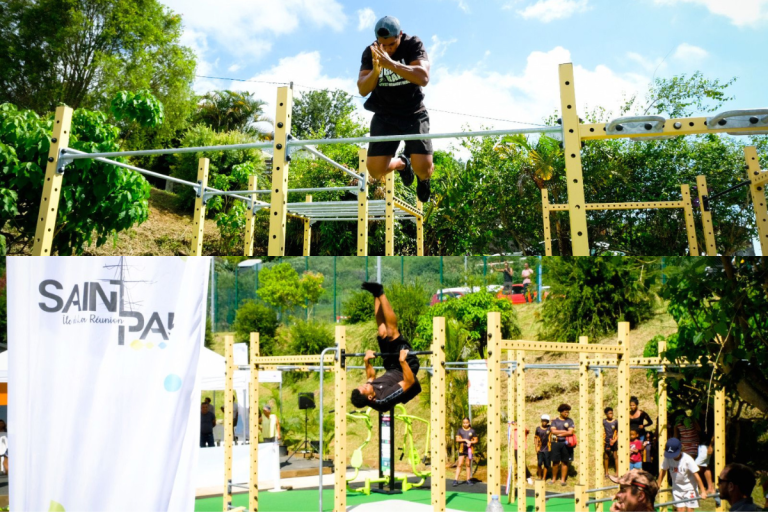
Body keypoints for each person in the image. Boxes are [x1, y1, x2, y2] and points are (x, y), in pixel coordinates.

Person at [357, 16, 434, 202]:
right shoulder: (371, 52)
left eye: (392, 44)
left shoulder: (412, 44)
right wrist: (376, 70)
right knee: (375, 171)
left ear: (400, 34)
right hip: (385, 114)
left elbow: (423, 77)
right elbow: (362, 89)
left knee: (423, 169)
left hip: (413, 113)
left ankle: (423, 179)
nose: (388, 49)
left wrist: (391, 64)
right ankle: (403, 163)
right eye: (384, 45)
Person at [350, 282, 422, 411]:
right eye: (365, 387)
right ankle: (381, 293)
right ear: (370, 397)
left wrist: (367, 361)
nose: (366, 385)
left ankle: (376, 294)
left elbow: (371, 377)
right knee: (392, 334)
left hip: (391, 367)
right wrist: (402, 361)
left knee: (382, 333)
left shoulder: (367, 392)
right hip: (407, 368)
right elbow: (409, 382)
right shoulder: (384, 398)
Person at [659, 438, 708, 512]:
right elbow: (663, 471)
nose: (672, 456)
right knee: (680, 510)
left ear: (680, 450)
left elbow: (696, 475)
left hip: (690, 488)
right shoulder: (668, 458)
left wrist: (703, 491)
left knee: (690, 510)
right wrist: (658, 485)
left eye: (674, 454)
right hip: (677, 488)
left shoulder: (687, 459)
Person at [550, 403, 575, 486]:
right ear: (560, 412)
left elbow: (570, 432)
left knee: (565, 462)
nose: (567, 414)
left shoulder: (570, 421)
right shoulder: (555, 421)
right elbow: (553, 431)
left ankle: (563, 480)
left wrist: (560, 434)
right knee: (555, 462)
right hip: (555, 443)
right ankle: (553, 479)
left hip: (566, 444)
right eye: (565, 412)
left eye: (568, 412)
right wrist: (565, 431)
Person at [453, 417, 478, 487]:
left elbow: (476, 440)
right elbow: (457, 439)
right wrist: (465, 440)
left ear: (469, 423)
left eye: (466, 423)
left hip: (470, 449)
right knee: (460, 464)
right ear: (462, 423)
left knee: (468, 464)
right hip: (462, 449)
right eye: (464, 423)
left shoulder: (472, 431)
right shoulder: (460, 430)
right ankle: (455, 480)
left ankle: (468, 479)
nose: (465, 424)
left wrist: (470, 442)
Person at [629, 397, 653, 461]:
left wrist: (644, 425)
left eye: (633, 405)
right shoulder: (627, 414)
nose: (632, 407)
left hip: (640, 434)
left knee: (641, 449)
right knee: (631, 449)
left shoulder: (642, 413)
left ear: (637, 405)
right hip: (631, 435)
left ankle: (641, 463)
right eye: (630, 405)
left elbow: (650, 422)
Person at [534, 414, 552, 482]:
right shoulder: (538, 429)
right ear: (541, 421)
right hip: (540, 448)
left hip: (547, 448)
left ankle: (544, 478)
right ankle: (539, 476)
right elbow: (536, 438)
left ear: (548, 422)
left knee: (546, 464)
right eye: (543, 421)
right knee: (539, 463)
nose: (544, 422)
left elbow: (555, 425)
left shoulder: (549, 428)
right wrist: (536, 447)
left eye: (546, 421)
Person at [604, 407, 620, 478]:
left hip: (614, 441)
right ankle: (606, 473)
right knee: (606, 457)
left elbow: (619, 431)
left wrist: (615, 439)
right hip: (606, 441)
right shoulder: (604, 422)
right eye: (609, 413)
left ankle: (617, 472)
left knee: (615, 456)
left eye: (612, 413)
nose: (611, 415)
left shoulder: (615, 422)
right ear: (606, 414)